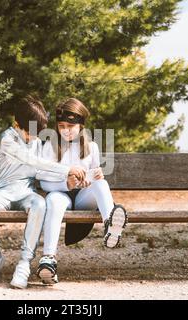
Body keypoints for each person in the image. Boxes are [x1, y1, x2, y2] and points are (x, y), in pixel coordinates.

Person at [0, 95, 85, 289]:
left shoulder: (35, 141)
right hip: (4, 192)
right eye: (30, 132)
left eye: (37, 133)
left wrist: (66, 179)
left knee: (39, 203)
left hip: (27, 192)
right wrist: (66, 170)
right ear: (17, 123)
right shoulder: (7, 139)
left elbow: (41, 170)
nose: (34, 138)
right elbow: (31, 161)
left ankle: (24, 263)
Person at [37, 98, 128, 285]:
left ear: (81, 126)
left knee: (102, 184)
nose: (66, 130)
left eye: (71, 125)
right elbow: (43, 182)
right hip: (60, 194)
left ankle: (110, 226)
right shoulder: (50, 147)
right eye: (61, 125)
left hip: (82, 198)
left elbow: (95, 177)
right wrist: (66, 183)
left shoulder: (91, 147)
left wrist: (96, 175)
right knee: (53, 201)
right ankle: (48, 259)